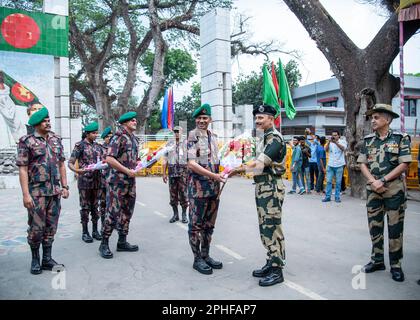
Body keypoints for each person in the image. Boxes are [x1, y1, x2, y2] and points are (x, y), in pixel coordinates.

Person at [231, 104, 287, 287]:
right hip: (263, 187)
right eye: (256, 118)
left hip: (271, 187)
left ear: (271, 119)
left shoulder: (275, 139)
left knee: (272, 227)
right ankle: (271, 262)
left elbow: (259, 164)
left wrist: (237, 169)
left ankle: (277, 269)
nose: (257, 120)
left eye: (261, 117)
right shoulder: (265, 138)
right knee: (265, 227)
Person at [357, 104, 412, 282]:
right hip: (373, 190)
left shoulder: (400, 138)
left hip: (393, 190)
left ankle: (396, 265)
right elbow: (362, 163)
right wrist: (373, 182)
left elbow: (404, 164)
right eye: (372, 117)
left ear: (387, 120)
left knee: (395, 229)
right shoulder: (368, 140)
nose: (372, 120)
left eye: (377, 117)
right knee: (375, 227)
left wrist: (383, 180)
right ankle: (377, 260)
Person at [16, 107, 69, 274]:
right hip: (37, 193)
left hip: (55, 192)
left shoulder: (56, 139)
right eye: (44, 121)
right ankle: (35, 259)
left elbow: (61, 164)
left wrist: (65, 186)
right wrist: (26, 195)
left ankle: (47, 259)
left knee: (51, 226)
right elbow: (23, 169)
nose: (48, 122)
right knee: (36, 228)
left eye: (48, 120)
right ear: (36, 124)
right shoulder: (27, 141)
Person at [187, 103, 226, 275]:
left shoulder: (214, 137)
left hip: (213, 189)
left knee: (209, 225)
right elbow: (191, 163)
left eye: (205, 118)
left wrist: (226, 172)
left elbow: (217, 163)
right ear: (196, 120)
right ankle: (197, 259)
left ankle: (206, 254)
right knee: (196, 225)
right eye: (199, 118)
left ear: (210, 119)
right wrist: (213, 176)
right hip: (198, 189)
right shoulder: (191, 136)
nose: (202, 121)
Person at [99, 112, 140, 259]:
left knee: (127, 212)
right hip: (117, 181)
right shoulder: (118, 137)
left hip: (130, 182)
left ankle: (122, 242)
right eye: (132, 120)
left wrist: (146, 163)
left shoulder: (134, 139)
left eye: (135, 120)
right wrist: (127, 171)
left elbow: (135, 159)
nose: (135, 122)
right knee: (113, 213)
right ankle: (104, 243)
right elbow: (109, 159)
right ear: (124, 123)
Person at [68, 122, 103, 243]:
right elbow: (70, 163)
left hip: (97, 181)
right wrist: (77, 171)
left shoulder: (98, 146)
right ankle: (85, 232)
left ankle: (95, 230)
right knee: (85, 207)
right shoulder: (80, 146)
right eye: (93, 133)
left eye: (96, 132)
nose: (96, 135)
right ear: (87, 134)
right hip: (85, 182)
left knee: (95, 207)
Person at [162, 126, 189, 223]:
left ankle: (184, 214)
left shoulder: (186, 144)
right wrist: (164, 173)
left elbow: (191, 160)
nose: (176, 133)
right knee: (173, 195)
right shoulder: (169, 144)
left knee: (183, 194)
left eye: (178, 131)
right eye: (175, 132)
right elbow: (165, 159)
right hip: (172, 174)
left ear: (182, 132)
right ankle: (175, 214)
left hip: (183, 174)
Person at [322, 130, 347, 203]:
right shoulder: (329, 142)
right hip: (330, 164)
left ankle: (337, 197)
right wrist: (329, 142)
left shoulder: (343, 141)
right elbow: (325, 150)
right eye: (333, 135)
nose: (334, 136)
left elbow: (343, 148)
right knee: (329, 181)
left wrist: (336, 142)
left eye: (335, 135)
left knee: (338, 182)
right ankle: (327, 197)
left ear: (339, 136)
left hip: (339, 165)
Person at [98, 126, 113, 228]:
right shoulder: (100, 149)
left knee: (113, 203)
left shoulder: (115, 147)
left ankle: (113, 223)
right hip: (103, 180)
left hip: (114, 180)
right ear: (104, 138)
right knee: (103, 203)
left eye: (111, 136)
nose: (110, 138)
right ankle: (104, 223)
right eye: (108, 137)